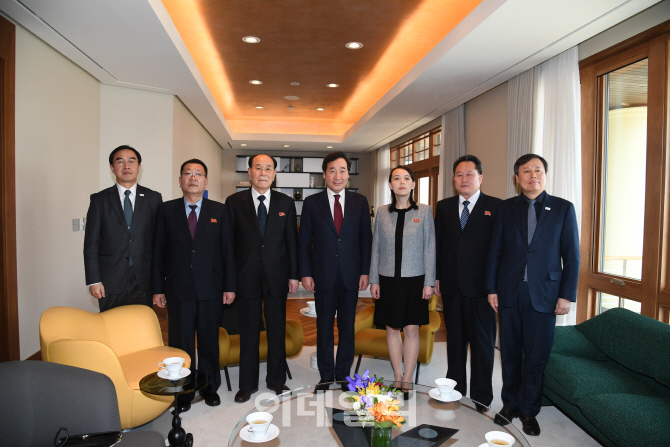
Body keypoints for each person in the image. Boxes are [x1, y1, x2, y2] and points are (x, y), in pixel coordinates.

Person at [486, 154, 579, 436]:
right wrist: (491, 288)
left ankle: (529, 411)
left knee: (537, 356)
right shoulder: (506, 208)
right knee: (510, 353)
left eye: (538, 170)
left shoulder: (563, 208)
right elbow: (495, 251)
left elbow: (571, 256)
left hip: (546, 294)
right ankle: (510, 405)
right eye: (526, 171)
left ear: (545, 175)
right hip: (510, 292)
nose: (532, 175)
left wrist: (566, 295)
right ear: (517, 178)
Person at [152, 159, 236, 412]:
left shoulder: (220, 211)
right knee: (181, 343)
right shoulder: (166, 211)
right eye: (187, 173)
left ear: (206, 181)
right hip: (178, 289)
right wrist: (157, 288)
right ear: (180, 181)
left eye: (198, 174)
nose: (193, 178)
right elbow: (158, 251)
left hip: (211, 287)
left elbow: (228, 252)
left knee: (210, 341)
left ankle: (210, 388)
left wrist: (230, 286)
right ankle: (184, 392)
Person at [225, 154, 299, 403]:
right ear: (249, 172)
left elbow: (292, 242)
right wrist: (230, 281)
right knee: (249, 331)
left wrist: (294, 275)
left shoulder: (285, 203)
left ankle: (276, 381)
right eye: (259, 168)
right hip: (246, 277)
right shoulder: (234, 202)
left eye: (269, 168)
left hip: (277, 276)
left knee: (277, 330)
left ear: (275, 173)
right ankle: (247, 384)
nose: (263, 172)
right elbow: (228, 245)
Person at [299, 151, 372, 391]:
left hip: (351, 275)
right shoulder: (312, 203)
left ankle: (343, 375)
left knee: (347, 328)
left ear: (348, 175)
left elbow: (365, 239)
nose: (337, 175)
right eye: (332, 170)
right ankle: (325, 375)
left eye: (342, 170)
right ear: (324, 174)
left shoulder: (359, 202)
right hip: (323, 274)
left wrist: (365, 271)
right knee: (324, 328)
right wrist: (306, 273)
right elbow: (304, 241)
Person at [435, 154, 501, 413]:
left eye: (469, 174)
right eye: (459, 175)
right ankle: (455, 389)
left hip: (483, 291)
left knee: (483, 345)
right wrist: (437, 276)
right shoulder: (444, 206)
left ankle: (482, 397)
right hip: (451, 287)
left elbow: (498, 250)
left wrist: (494, 286)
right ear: (454, 179)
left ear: (480, 178)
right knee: (455, 344)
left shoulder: (496, 207)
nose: (464, 179)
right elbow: (439, 245)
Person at [369, 166, 435, 390]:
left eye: (407, 178)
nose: (402, 182)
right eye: (396, 178)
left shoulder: (424, 212)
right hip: (387, 280)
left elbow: (430, 248)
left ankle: (408, 376)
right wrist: (374, 279)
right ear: (390, 185)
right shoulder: (382, 212)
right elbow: (375, 248)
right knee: (391, 328)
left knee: (411, 330)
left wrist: (429, 282)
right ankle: (397, 374)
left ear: (413, 184)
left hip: (415, 279)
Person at [84, 145, 162, 312]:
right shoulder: (99, 200)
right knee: (111, 328)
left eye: (131, 161)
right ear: (112, 168)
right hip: (110, 280)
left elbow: (159, 242)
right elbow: (91, 244)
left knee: (141, 326)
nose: (126, 166)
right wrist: (93, 280)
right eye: (120, 162)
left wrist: (159, 283)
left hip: (143, 278)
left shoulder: (153, 198)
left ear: (138, 167)